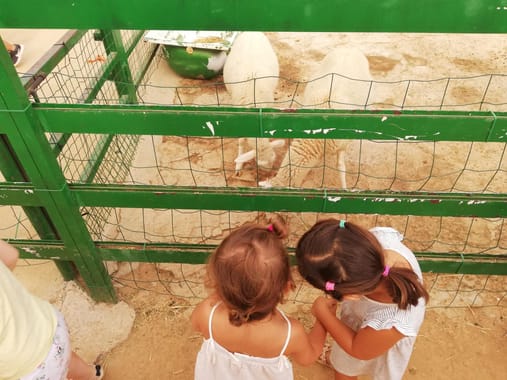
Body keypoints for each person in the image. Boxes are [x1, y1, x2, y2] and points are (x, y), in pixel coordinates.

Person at [191, 216, 327, 379]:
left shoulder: (207, 314)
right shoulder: (290, 334)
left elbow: (196, 325)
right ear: (286, 287)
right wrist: (323, 319)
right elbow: (308, 357)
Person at [295, 219, 429, 380]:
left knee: (347, 365)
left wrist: (323, 313)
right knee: (345, 361)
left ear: (351, 296)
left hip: (376, 342)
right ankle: (337, 360)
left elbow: (357, 349)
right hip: (370, 331)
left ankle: (340, 365)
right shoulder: (378, 242)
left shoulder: (393, 322)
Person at [0, 239, 104, 380]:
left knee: (51, 366)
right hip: (52, 328)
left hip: (29, 370)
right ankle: (92, 374)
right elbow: (11, 256)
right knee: (59, 357)